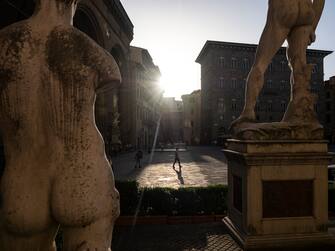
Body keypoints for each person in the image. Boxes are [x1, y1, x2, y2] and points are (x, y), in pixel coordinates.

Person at [0, 0, 120, 250]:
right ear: (73, 2)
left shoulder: (5, 44)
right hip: (83, 176)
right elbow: (113, 75)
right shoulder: (92, 53)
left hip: (23, 183)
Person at [231, 0, 325, 129]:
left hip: (285, 8)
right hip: (306, 12)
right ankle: (298, 116)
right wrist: (312, 26)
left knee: (259, 65)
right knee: (298, 68)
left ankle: (248, 112)